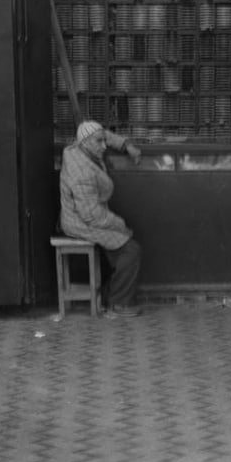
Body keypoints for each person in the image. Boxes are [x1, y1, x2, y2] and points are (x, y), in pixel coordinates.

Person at [59, 119, 143, 317]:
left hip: (89, 215)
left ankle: (110, 295)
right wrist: (119, 224)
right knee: (130, 250)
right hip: (80, 222)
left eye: (103, 141)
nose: (104, 146)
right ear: (86, 143)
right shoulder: (81, 172)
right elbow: (91, 215)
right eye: (99, 143)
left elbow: (102, 134)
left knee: (125, 244)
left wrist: (126, 145)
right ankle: (118, 303)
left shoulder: (80, 147)